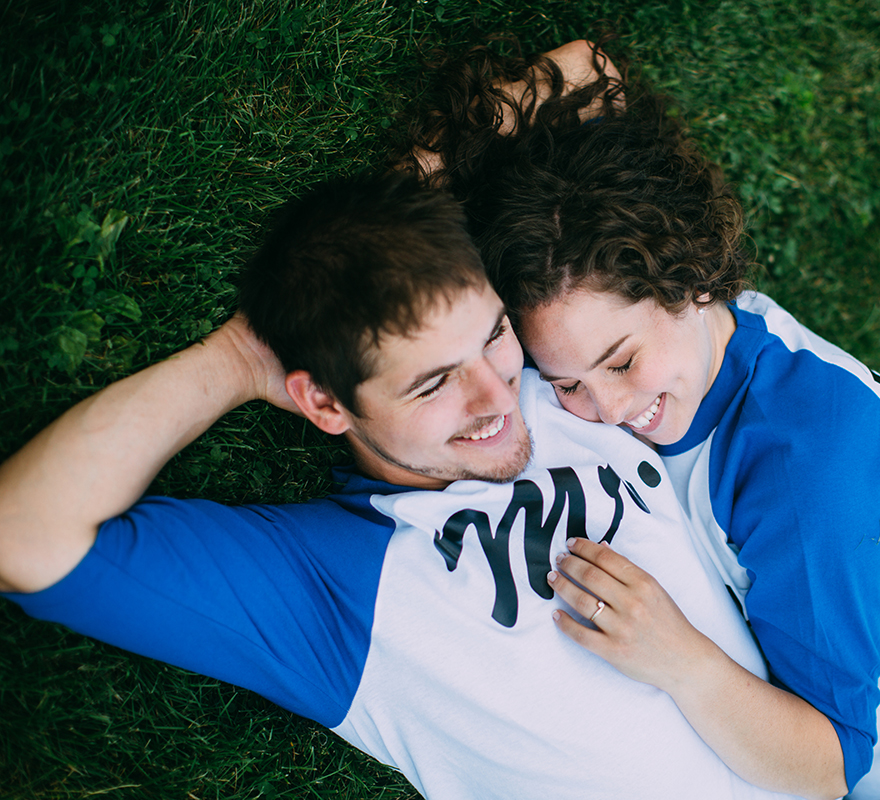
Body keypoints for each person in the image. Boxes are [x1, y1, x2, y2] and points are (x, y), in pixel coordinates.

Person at [422, 48, 880, 800]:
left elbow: (825, 769)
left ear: (685, 278)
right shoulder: (662, 296)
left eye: (620, 365)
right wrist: (411, 191)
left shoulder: (802, 473)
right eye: (567, 383)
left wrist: (677, 655)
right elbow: (591, 71)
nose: (612, 412)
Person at [0, 170, 809, 800]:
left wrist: (405, 212)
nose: (496, 399)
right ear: (322, 402)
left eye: (493, 334)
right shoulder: (334, 589)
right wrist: (240, 360)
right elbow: (21, 535)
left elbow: (586, 74)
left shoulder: (569, 379)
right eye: (432, 386)